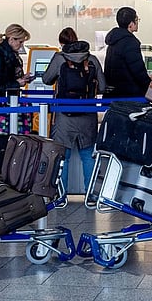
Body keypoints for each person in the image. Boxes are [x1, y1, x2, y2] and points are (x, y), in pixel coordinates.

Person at [42, 27, 106, 195]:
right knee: (87, 156)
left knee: (63, 156)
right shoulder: (92, 59)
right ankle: (91, 194)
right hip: (88, 115)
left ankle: (60, 195)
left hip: (64, 116)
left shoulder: (59, 59)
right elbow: (103, 86)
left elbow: (46, 79)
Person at [0, 23, 32, 174]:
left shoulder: (9, 56)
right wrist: (16, 83)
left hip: (7, 108)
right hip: (1, 111)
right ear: (11, 39)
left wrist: (21, 80)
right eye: (20, 41)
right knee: (0, 146)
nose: (21, 45)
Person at [103, 6, 151, 97]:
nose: (137, 23)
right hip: (129, 95)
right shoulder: (130, 43)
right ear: (130, 24)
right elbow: (138, 71)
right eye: (136, 20)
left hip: (114, 93)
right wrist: (149, 86)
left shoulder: (113, 40)